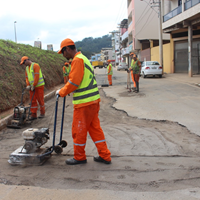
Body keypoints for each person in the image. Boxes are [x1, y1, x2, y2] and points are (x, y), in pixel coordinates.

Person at [56, 38, 111, 165]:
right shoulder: (84, 58)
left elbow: (74, 82)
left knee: (78, 130)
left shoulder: (77, 60)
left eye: (63, 52)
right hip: (93, 101)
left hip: (84, 103)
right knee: (95, 130)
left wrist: (61, 92)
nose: (63, 56)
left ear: (68, 49)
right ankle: (105, 155)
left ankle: (79, 157)